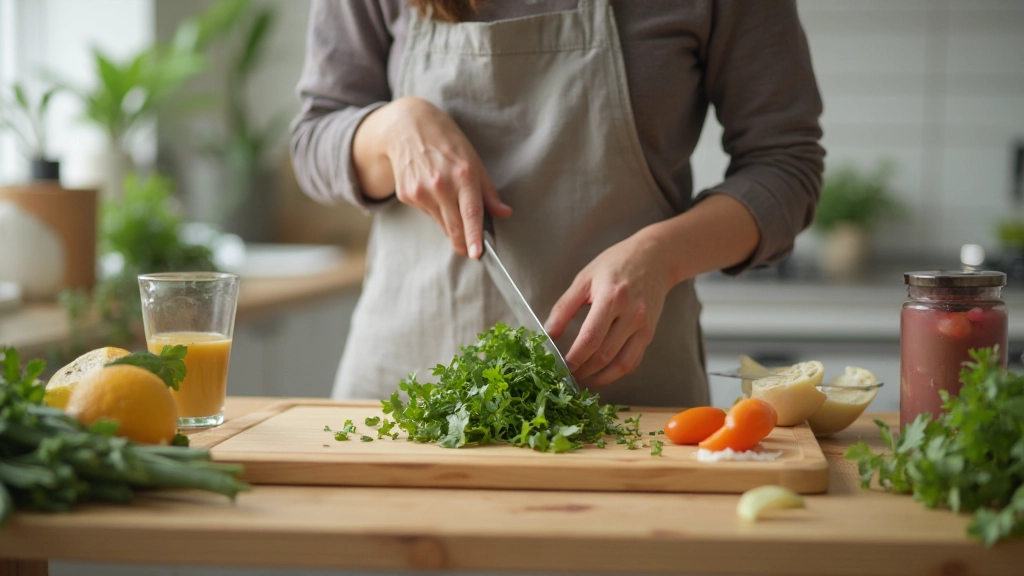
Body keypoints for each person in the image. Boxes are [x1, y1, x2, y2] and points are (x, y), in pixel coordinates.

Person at [290, 0, 824, 407]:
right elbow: (313, 141)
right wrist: (390, 129)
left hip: (627, 404)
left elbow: (785, 165)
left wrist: (662, 255)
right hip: (410, 395)